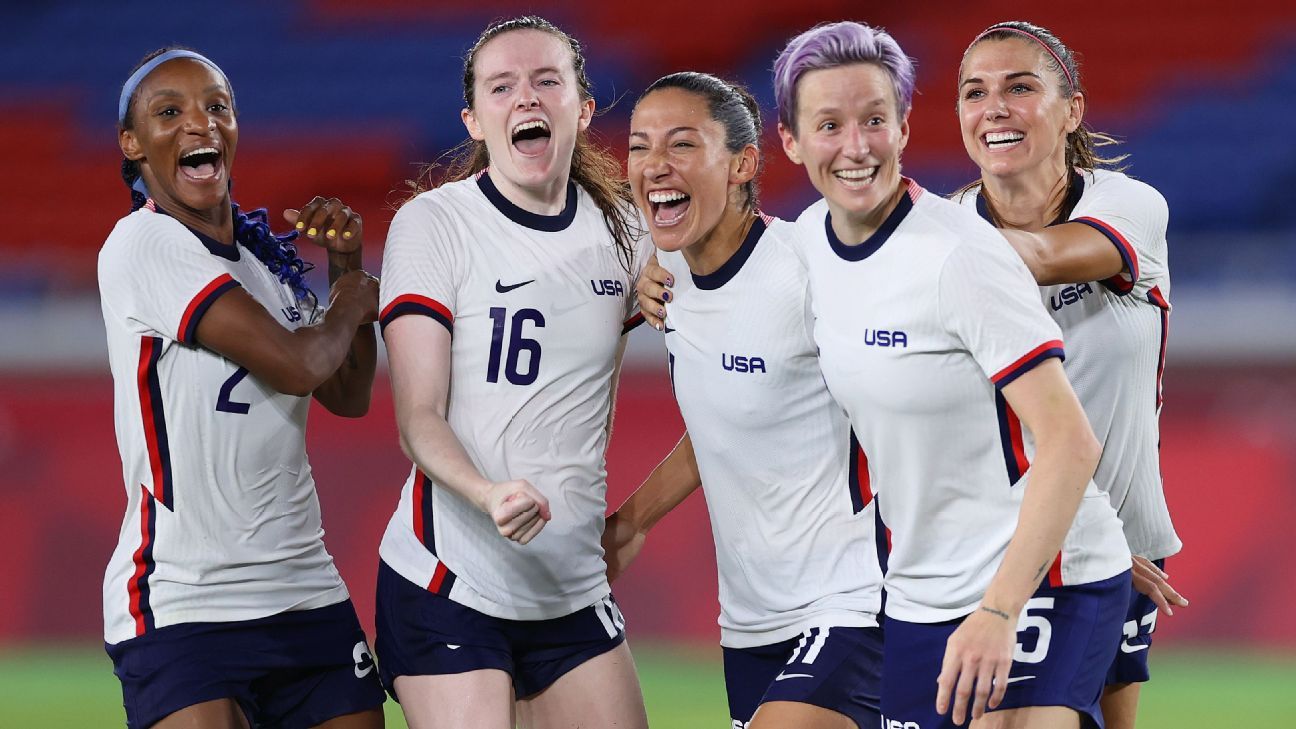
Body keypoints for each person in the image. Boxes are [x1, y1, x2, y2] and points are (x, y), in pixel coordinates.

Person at [372, 16, 650, 729]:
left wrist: (641, 513)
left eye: (546, 80)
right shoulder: (434, 225)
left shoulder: (628, 232)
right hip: (451, 581)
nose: (525, 98)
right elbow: (418, 417)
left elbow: (731, 335)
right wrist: (487, 492)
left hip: (571, 588)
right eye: (502, 86)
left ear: (582, 108)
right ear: (473, 119)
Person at [100, 47, 384, 728]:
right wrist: (350, 296)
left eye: (217, 106)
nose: (201, 124)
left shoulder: (266, 263)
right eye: (170, 112)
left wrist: (342, 265)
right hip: (185, 601)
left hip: (303, 588)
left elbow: (346, 393)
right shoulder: (145, 244)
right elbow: (298, 363)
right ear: (132, 144)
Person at [604, 72, 884, 729]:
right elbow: (723, 422)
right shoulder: (667, 274)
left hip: (853, 601)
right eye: (641, 146)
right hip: (750, 625)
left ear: (742, 164)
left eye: (681, 144)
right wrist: (632, 521)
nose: (654, 165)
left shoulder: (806, 270)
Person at [954, 21, 1187, 728]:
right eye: (974, 91)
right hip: (994, 551)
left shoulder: (1128, 207)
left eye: (1019, 87)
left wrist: (899, 250)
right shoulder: (942, 232)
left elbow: (1046, 256)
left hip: (1122, 551)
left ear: (1072, 111)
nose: (993, 106)